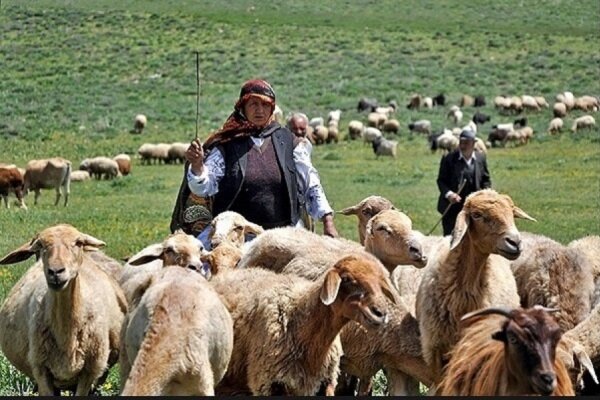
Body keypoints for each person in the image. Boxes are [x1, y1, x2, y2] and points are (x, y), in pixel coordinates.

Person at [171, 79, 338, 248]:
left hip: (285, 234)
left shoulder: (288, 142)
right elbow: (203, 189)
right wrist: (198, 166)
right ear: (242, 107)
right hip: (236, 237)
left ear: (272, 108)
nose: (260, 110)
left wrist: (327, 220)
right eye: (253, 104)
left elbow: (311, 184)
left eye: (265, 105)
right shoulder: (226, 144)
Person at [436, 129, 491, 236]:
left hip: (474, 209)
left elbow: (486, 180)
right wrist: (449, 194)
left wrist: (485, 194)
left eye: (466, 143)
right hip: (452, 209)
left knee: (473, 240)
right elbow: (441, 181)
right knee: (452, 239)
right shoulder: (449, 159)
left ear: (473, 143)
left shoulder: (480, 158)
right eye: (461, 142)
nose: (463, 145)